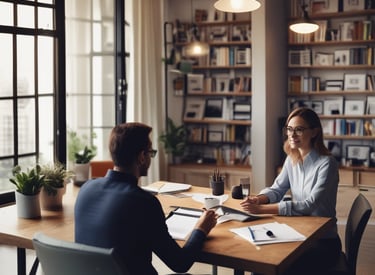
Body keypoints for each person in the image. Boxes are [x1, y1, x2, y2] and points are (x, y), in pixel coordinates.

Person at [75, 122, 217, 275]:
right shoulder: (144, 203)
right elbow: (180, 263)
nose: (151, 156)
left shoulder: (86, 189)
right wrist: (201, 228)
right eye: (151, 152)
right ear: (142, 157)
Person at [240, 107, 342, 274]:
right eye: (289, 129)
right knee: (259, 260)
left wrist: (262, 209)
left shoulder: (327, 164)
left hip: (323, 242)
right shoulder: (292, 158)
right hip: (299, 233)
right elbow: (277, 189)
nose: (292, 135)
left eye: (299, 129)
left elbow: (309, 205)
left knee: (273, 265)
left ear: (314, 132)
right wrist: (259, 199)